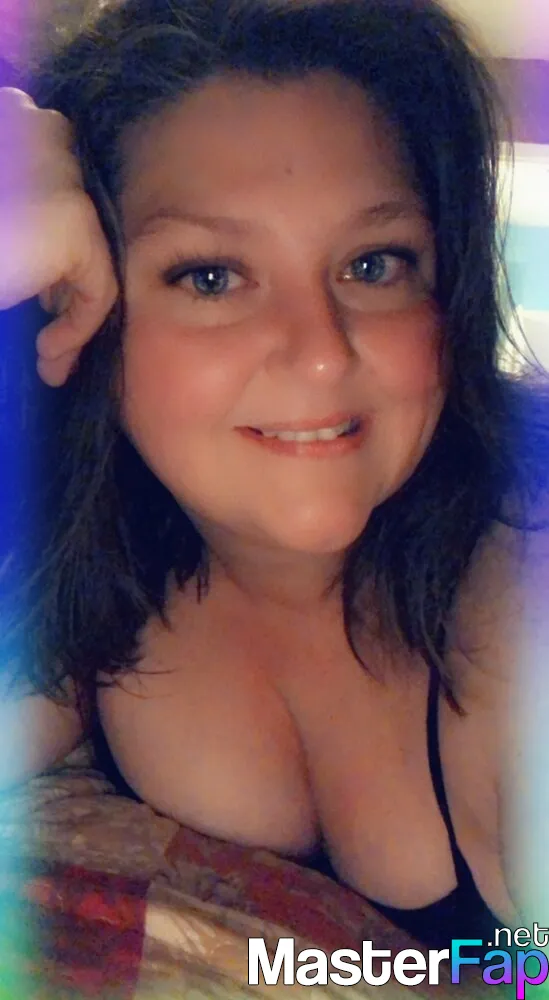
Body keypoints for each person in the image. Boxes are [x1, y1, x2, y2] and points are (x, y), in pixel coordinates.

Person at [1, 0, 548, 953]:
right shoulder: (99, 559)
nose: (321, 352)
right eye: (211, 277)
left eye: (373, 264)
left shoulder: (520, 594)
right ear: (79, 301)